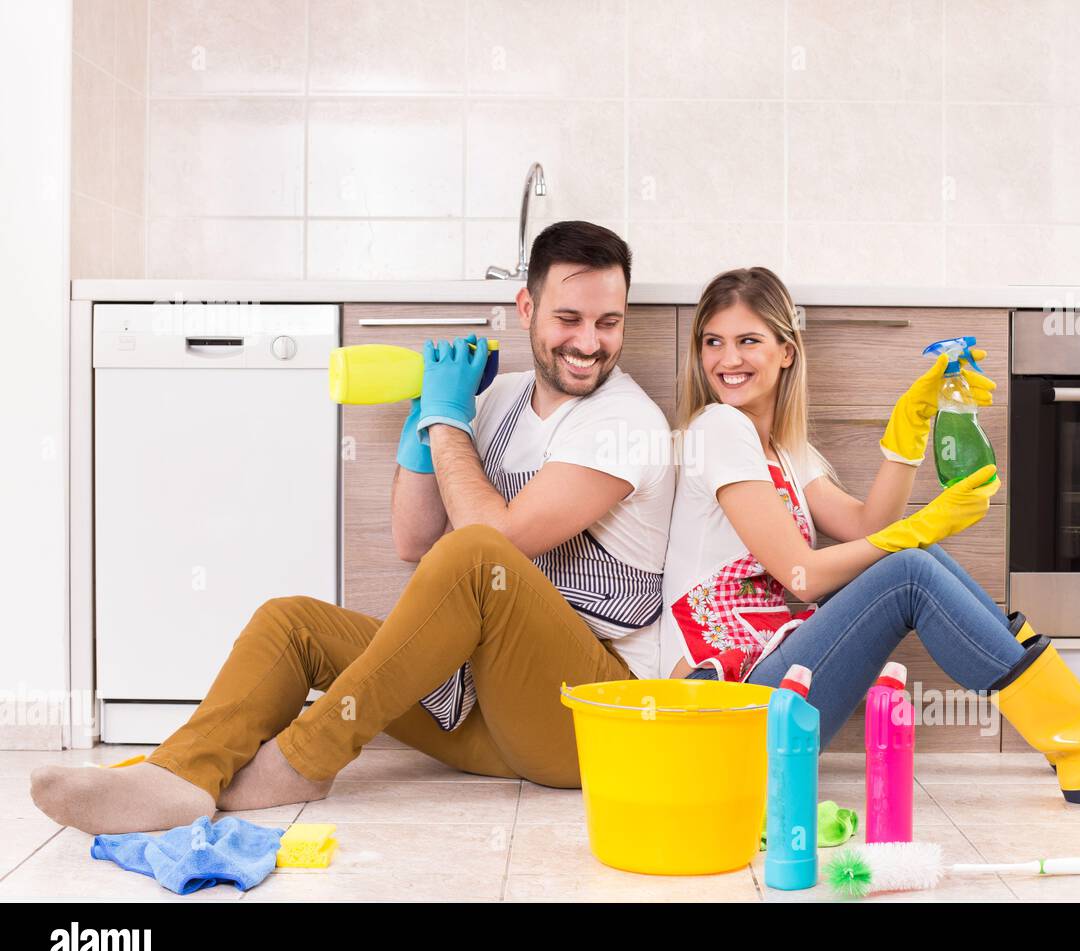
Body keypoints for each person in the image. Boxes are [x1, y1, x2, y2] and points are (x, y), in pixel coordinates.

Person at [31, 221, 675, 834]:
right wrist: (425, 430)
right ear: (526, 308)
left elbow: (493, 545)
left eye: (607, 322)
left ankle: (306, 761)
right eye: (569, 318)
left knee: (480, 552)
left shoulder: (625, 423)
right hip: (482, 719)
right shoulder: (499, 399)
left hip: (584, 724)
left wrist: (449, 423)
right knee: (291, 623)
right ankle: (180, 775)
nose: (589, 342)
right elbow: (414, 541)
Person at [660, 266, 1080, 804]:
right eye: (713, 342)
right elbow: (801, 577)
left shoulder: (782, 448)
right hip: (727, 716)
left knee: (912, 555)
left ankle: (1076, 715)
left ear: (786, 353)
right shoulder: (719, 427)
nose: (727, 360)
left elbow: (865, 528)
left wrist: (910, 429)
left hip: (768, 697)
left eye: (747, 341)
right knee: (909, 568)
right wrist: (914, 531)